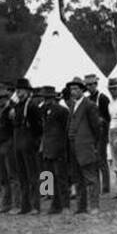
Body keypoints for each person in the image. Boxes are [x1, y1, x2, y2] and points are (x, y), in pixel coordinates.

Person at [67, 78, 103, 214]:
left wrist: (94, 144)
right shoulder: (72, 105)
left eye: (76, 89)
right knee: (78, 178)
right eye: (71, 89)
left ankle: (94, 206)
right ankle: (81, 206)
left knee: (90, 177)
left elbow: (97, 127)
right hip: (73, 146)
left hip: (86, 146)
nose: (73, 91)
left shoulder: (89, 105)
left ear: (82, 90)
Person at [11, 78, 43, 215]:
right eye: (17, 89)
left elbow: (38, 127)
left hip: (29, 144)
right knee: (22, 177)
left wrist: (34, 143)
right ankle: (25, 206)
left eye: (21, 89)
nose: (18, 92)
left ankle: (36, 206)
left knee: (33, 177)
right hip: (18, 143)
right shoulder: (18, 106)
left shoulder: (32, 105)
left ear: (28, 91)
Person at [38, 85, 71, 213]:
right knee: (49, 177)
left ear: (52, 98)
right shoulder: (43, 111)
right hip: (47, 147)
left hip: (59, 148)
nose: (45, 101)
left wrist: (63, 147)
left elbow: (65, 130)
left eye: (47, 98)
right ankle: (55, 205)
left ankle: (65, 205)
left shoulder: (62, 111)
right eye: (44, 98)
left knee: (61, 177)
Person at [85, 74, 112, 195]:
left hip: (101, 133)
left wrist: (101, 121)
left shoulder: (103, 98)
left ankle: (106, 187)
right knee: (93, 161)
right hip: (91, 134)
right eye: (88, 85)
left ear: (96, 84)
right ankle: (96, 185)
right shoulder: (87, 99)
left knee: (102, 160)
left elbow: (108, 117)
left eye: (92, 84)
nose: (90, 87)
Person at [0, 85, 16, 213]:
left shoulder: (11, 110)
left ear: (7, 98)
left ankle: (15, 204)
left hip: (9, 143)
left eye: (2, 98)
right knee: (3, 176)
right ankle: (6, 203)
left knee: (12, 175)